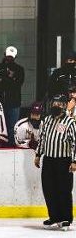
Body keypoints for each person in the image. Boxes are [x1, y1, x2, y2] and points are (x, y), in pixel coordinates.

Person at [34, 94, 76, 230]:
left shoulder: (70, 122)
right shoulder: (46, 120)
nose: (56, 106)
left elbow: (75, 143)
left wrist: (74, 161)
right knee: (49, 189)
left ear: (64, 106)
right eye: (54, 103)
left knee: (63, 190)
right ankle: (54, 216)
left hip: (63, 161)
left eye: (59, 104)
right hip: (49, 160)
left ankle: (66, 218)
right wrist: (38, 155)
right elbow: (42, 138)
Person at [0, 46, 25, 146]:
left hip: (14, 103)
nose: (9, 59)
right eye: (8, 56)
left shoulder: (19, 69)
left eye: (12, 57)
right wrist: (10, 79)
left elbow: (18, 84)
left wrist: (5, 79)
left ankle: (11, 146)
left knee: (12, 127)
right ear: (4, 55)